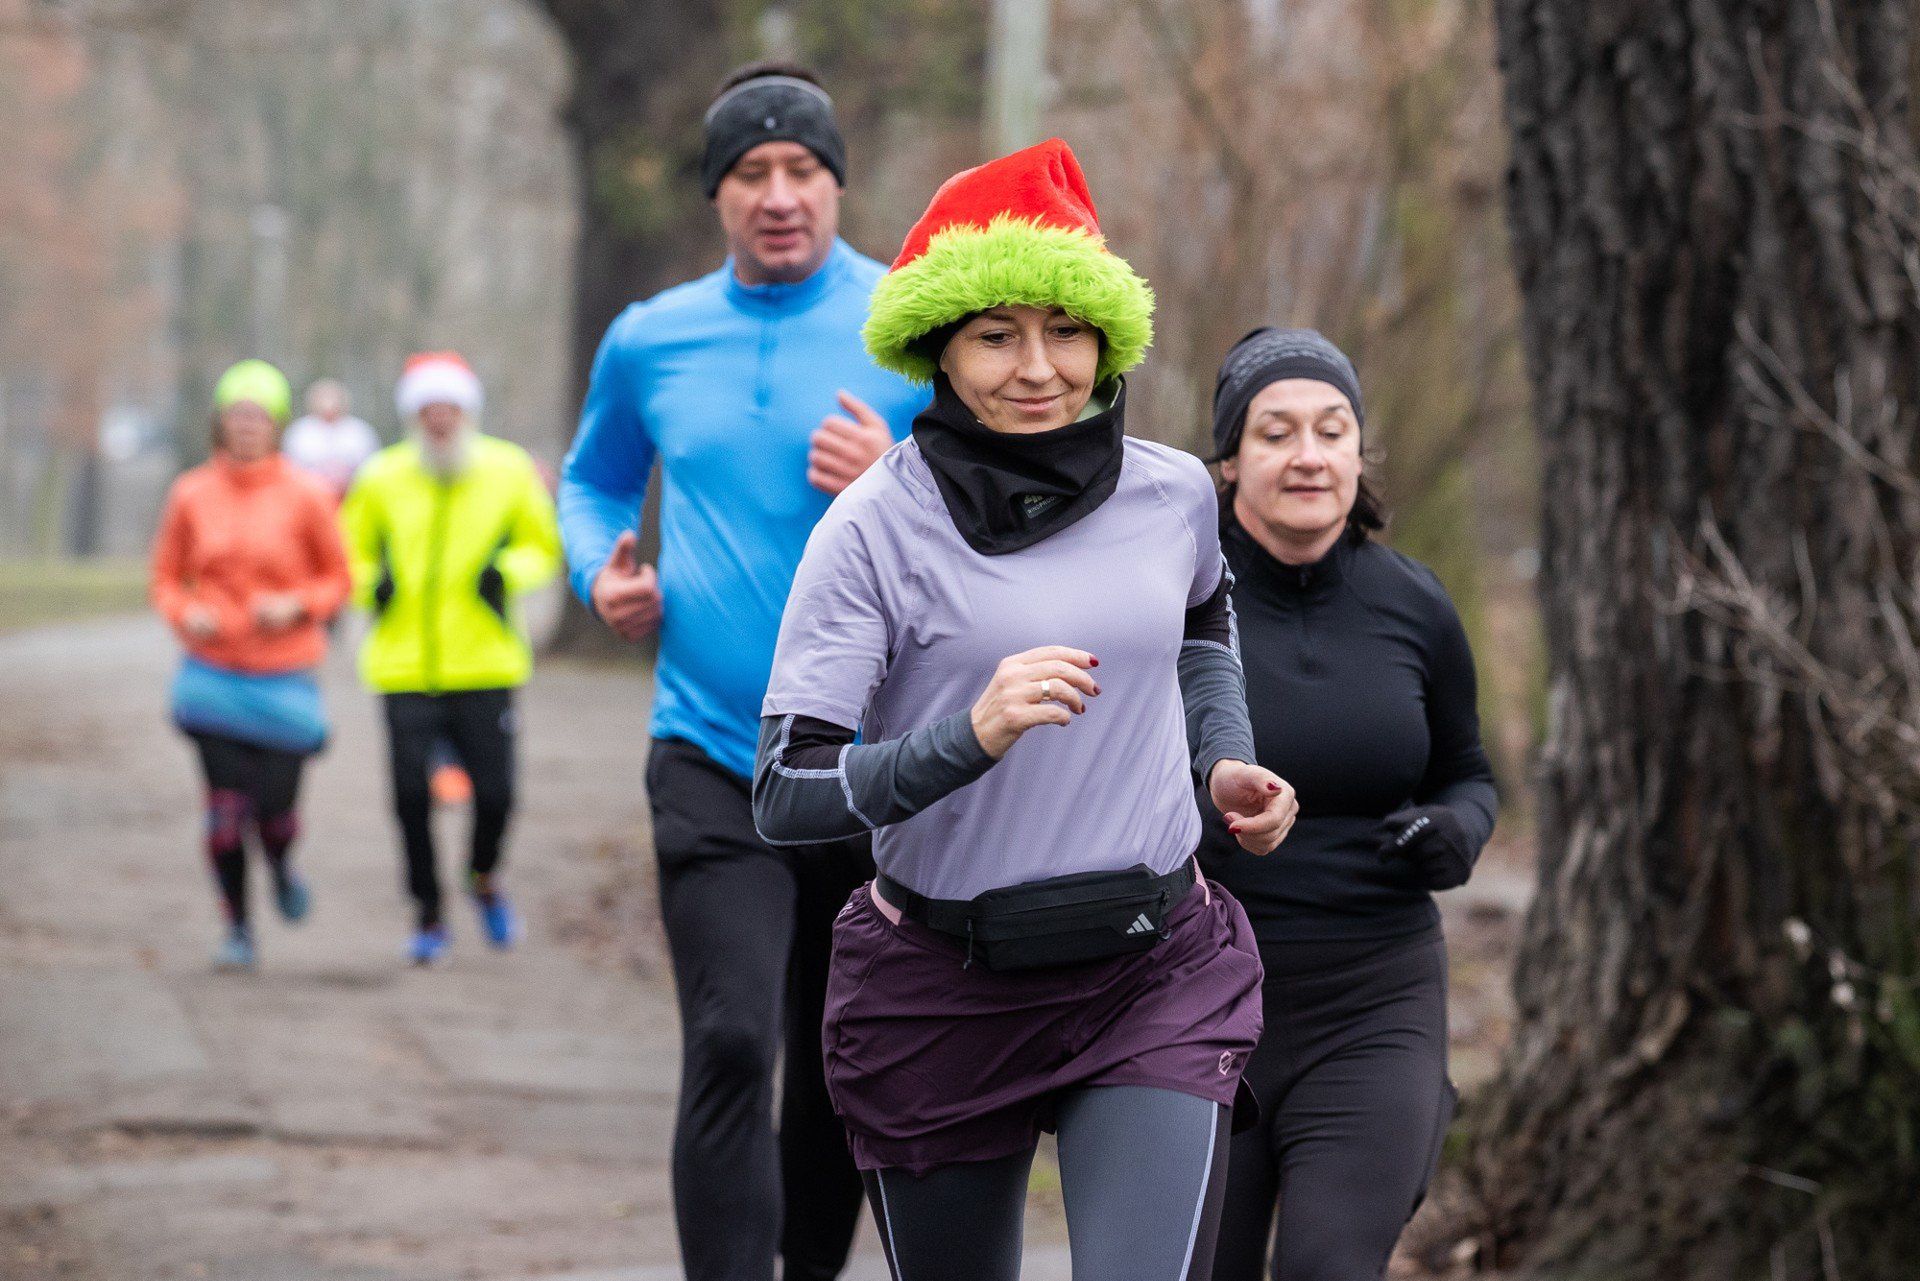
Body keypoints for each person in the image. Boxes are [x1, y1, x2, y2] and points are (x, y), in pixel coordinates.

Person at [752, 138, 1299, 1281]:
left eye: (1064, 330)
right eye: (996, 334)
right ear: (939, 349)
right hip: (941, 990)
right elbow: (786, 793)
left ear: (1107, 338)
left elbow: (1203, 628)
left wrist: (1224, 762)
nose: (1037, 367)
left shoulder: (1177, 494)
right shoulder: (871, 529)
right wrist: (970, 737)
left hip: (1151, 965)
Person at [557, 61, 927, 1281]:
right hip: (712, 749)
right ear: (718, 196)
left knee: (837, 1062)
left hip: (867, 763)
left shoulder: (910, 328)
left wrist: (895, 473)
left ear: (836, 185)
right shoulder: (652, 337)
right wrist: (596, 574)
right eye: (751, 174)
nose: (780, 195)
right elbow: (594, 479)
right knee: (727, 1038)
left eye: (804, 171)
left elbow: (995, 511)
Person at [1196, 329, 1497, 1281]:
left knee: (1330, 1265)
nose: (1309, 454)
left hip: (1376, 995)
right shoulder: (1176, 598)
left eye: (1333, 429)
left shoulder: (1416, 604)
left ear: (1360, 455)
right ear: (1232, 458)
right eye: (1276, 431)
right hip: (1198, 999)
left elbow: (1471, 772)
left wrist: (1458, 831)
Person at [339, 351, 561, 965]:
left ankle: (483, 877)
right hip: (403, 664)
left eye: (450, 408)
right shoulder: (381, 476)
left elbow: (543, 546)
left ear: (468, 411)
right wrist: (371, 585)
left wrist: (504, 572)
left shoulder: (508, 469)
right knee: (411, 797)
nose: (440, 419)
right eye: (428, 409)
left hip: (485, 663)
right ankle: (429, 911)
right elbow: (349, 551)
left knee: (496, 796)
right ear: (413, 415)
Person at [151, 359, 352, 969]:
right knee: (223, 815)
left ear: (278, 424)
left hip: (285, 676)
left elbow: (340, 579)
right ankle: (237, 930)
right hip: (212, 674)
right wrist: (187, 614)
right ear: (220, 421)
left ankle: (284, 867)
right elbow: (165, 579)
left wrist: (296, 604)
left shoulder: (308, 495)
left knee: (275, 814)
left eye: (259, 416)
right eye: (237, 414)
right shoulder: (191, 492)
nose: (247, 426)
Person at [283, 377, 381, 503]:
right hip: (309, 502)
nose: (328, 403)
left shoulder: (360, 432)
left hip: (351, 501)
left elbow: (371, 471)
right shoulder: (299, 433)